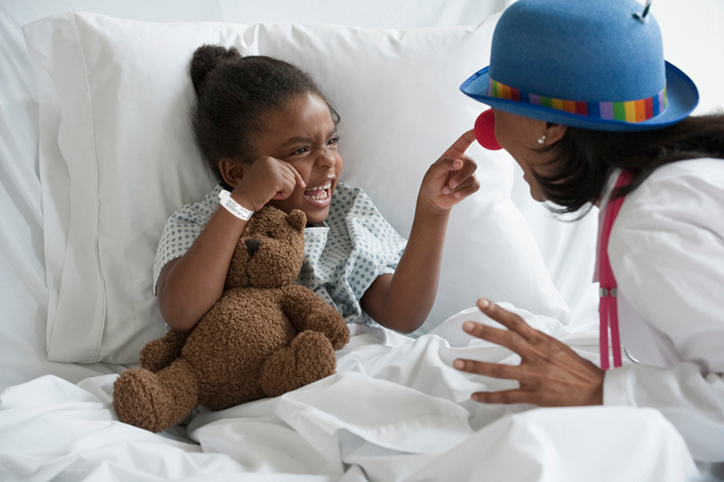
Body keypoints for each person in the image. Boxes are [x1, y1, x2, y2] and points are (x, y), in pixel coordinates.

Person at [452, 0, 724, 468]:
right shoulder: (682, 181)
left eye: (499, 108)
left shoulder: (653, 224)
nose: (489, 131)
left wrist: (600, 391)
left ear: (551, 126)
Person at [153, 45, 479, 336]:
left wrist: (433, 211)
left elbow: (402, 316)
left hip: (347, 367)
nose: (328, 161)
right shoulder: (200, 224)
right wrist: (241, 204)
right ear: (237, 172)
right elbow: (181, 313)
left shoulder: (346, 214)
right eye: (300, 150)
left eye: (332, 141)